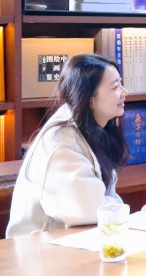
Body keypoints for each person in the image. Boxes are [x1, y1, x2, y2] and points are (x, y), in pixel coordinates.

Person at [6, 54, 128, 237]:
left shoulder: (90, 128)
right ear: (89, 98)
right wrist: (119, 209)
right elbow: (88, 209)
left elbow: (103, 204)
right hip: (39, 248)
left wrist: (117, 208)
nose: (125, 92)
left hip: (69, 240)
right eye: (115, 87)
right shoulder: (62, 144)